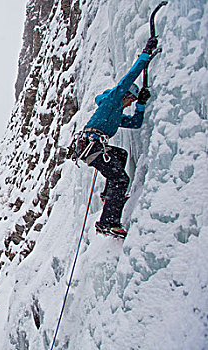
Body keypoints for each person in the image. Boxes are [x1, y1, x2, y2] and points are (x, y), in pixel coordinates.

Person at [73, 37, 158, 238]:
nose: (129, 103)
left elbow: (135, 123)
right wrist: (145, 55)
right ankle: (107, 222)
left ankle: (107, 196)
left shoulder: (115, 115)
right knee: (121, 179)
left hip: (93, 147)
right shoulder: (112, 102)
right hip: (92, 147)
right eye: (131, 99)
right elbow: (128, 78)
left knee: (121, 155)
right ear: (125, 95)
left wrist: (141, 105)